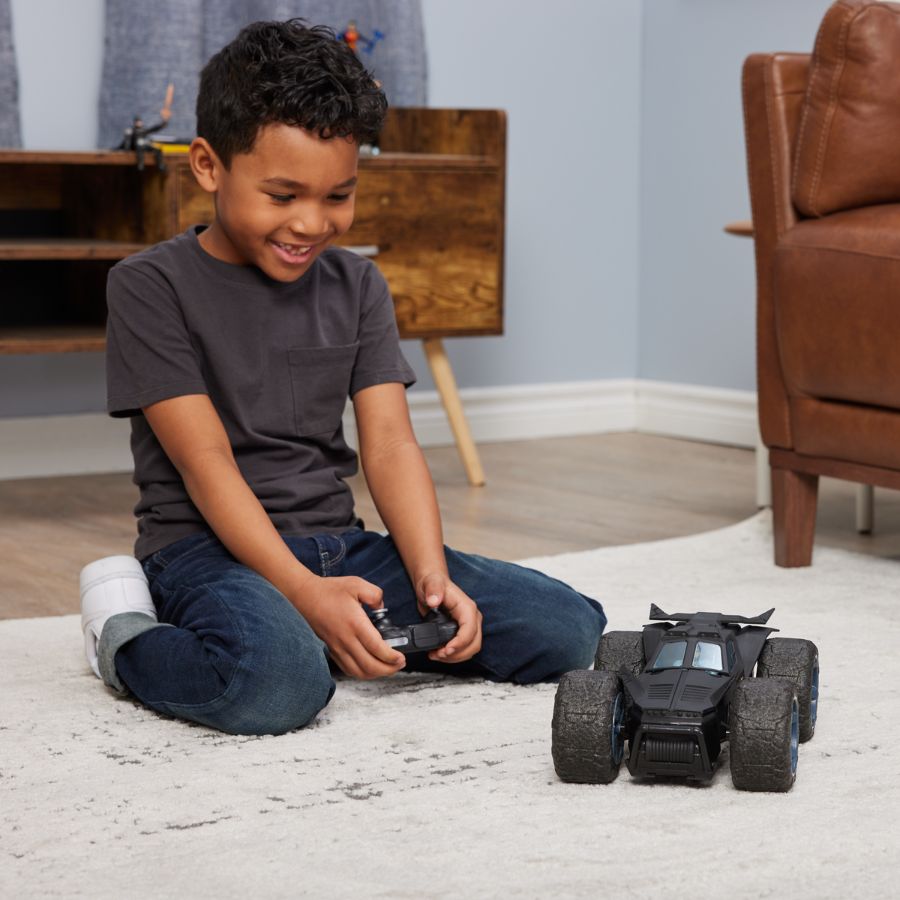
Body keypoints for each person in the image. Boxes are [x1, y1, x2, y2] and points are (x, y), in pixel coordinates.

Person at [88, 19, 606, 736]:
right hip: (205, 552)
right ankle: (124, 638)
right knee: (276, 686)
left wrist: (429, 575)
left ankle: (328, 631)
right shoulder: (148, 286)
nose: (311, 223)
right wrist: (303, 592)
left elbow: (390, 445)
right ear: (208, 166)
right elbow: (206, 465)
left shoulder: (359, 285)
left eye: (338, 196)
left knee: (568, 630)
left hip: (338, 542)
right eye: (283, 195)